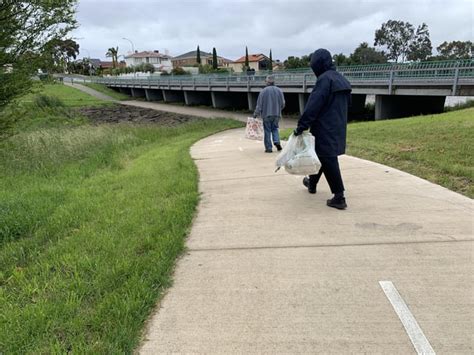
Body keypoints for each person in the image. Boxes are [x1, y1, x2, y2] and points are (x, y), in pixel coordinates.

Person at [294, 48, 352, 210]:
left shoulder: (324, 80)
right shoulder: (342, 80)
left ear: (317, 65)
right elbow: (349, 104)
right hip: (338, 126)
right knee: (320, 156)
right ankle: (312, 184)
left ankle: (339, 196)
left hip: (324, 127)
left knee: (328, 159)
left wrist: (301, 126)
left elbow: (314, 105)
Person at [253, 75, 286, 153]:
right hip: (277, 114)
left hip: (266, 114)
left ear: (267, 82)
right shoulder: (279, 90)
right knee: (275, 128)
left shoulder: (263, 91)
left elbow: (259, 105)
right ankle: (277, 142)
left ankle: (269, 148)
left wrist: (255, 115)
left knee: (267, 130)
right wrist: (279, 109)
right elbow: (283, 103)